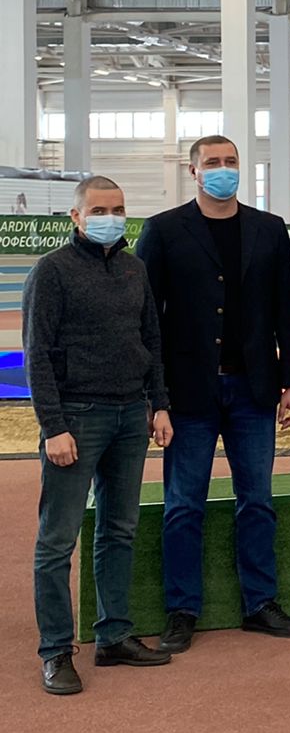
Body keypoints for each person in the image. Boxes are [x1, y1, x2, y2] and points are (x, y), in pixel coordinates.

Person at [134, 138, 290, 656]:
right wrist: (156, 397)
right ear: (193, 171)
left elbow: (286, 310)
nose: (223, 170)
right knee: (182, 505)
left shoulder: (269, 230)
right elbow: (148, 319)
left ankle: (260, 603)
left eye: (231, 162)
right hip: (188, 393)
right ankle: (182, 609)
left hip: (254, 389)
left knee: (257, 500)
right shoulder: (163, 231)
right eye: (213, 163)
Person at [27, 176, 174, 694]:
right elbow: (37, 354)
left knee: (119, 530)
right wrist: (54, 427)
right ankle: (55, 650)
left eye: (117, 209)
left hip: (131, 417)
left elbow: (150, 339)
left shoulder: (135, 269)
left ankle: (113, 636)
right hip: (77, 417)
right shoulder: (51, 271)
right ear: (76, 216)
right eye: (98, 210)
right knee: (57, 540)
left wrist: (160, 404)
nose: (110, 218)